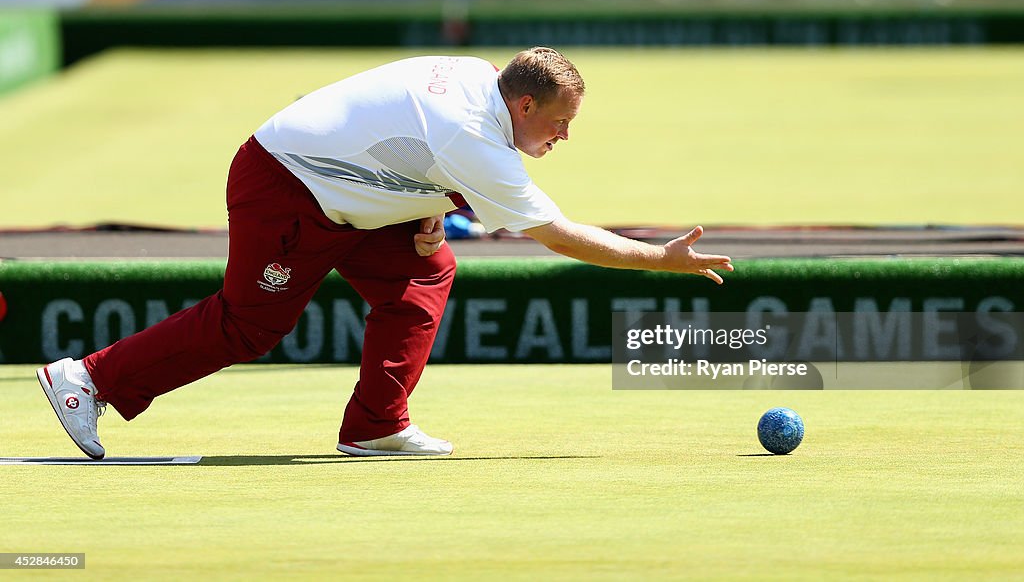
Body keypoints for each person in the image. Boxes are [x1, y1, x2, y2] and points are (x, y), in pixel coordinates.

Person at [36, 47, 733, 461]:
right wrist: (657, 258)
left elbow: (408, 136)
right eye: (559, 123)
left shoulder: (479, 79)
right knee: (248, 323)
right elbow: (557, 233)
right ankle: (87, 380)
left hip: (346, 190)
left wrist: (431, 202)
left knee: (426, 270)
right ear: (523, 105)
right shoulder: (476, 136)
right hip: (286, 185)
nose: (564, 137)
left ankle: (375, 425)